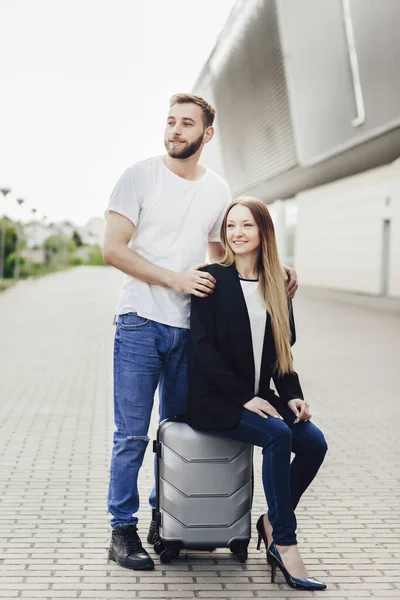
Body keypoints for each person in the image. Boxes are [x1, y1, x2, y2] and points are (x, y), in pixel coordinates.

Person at [103, 94, 298, 571]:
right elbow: (112, 249)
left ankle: (164, 519)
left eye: (186, 123)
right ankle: (121, 530)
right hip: (140, 323)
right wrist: (175, 279)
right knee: (131, 435)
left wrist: (274, 270)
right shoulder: (139, 177)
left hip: (189, 330)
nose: (174, 130)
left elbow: (224, 255)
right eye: (170, 121)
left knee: (178, 433)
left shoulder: (217, 189)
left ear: (206, 134)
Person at [186, 198, 327, 591]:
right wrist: (241, 397)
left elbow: (283, 350)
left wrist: (294, 395)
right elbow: (203, 348)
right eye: (231, 226)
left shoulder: (277, 283)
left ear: (264, 231)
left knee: (314, 442)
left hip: (259, 395)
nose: (237, 233)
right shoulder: (212, 279)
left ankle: (269, 522)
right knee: (277, 434)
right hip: (215, 399)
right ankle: (284, 540)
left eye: (246, 225)